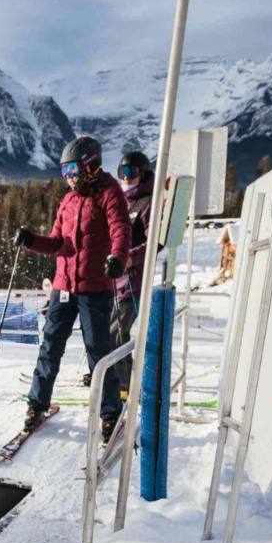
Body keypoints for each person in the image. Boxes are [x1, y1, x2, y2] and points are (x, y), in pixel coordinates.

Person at [14, 135, 131, 443]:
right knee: (50, 347)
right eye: (64, 171)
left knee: (98, 352)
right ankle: (37, 404)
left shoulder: (109, 192)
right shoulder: (68, 199)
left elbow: (121, 228)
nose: (68, 177)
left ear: (91, 164)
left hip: (94, 289)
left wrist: (118, 258)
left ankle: (111, 414)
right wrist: (31, 241)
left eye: (73, 169)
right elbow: (57, 243)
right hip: (63, 287)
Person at [114, 150, 154, 395]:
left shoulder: (147, 203)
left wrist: (130, 258)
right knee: (107, 333)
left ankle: (126, 386)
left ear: (143, 173)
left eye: (132, 172)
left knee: (116, 335)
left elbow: (153, 243)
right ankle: (113, 378)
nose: (126, 178)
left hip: (132, 281)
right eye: (122, 173)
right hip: (112, 280)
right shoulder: (120, 202)